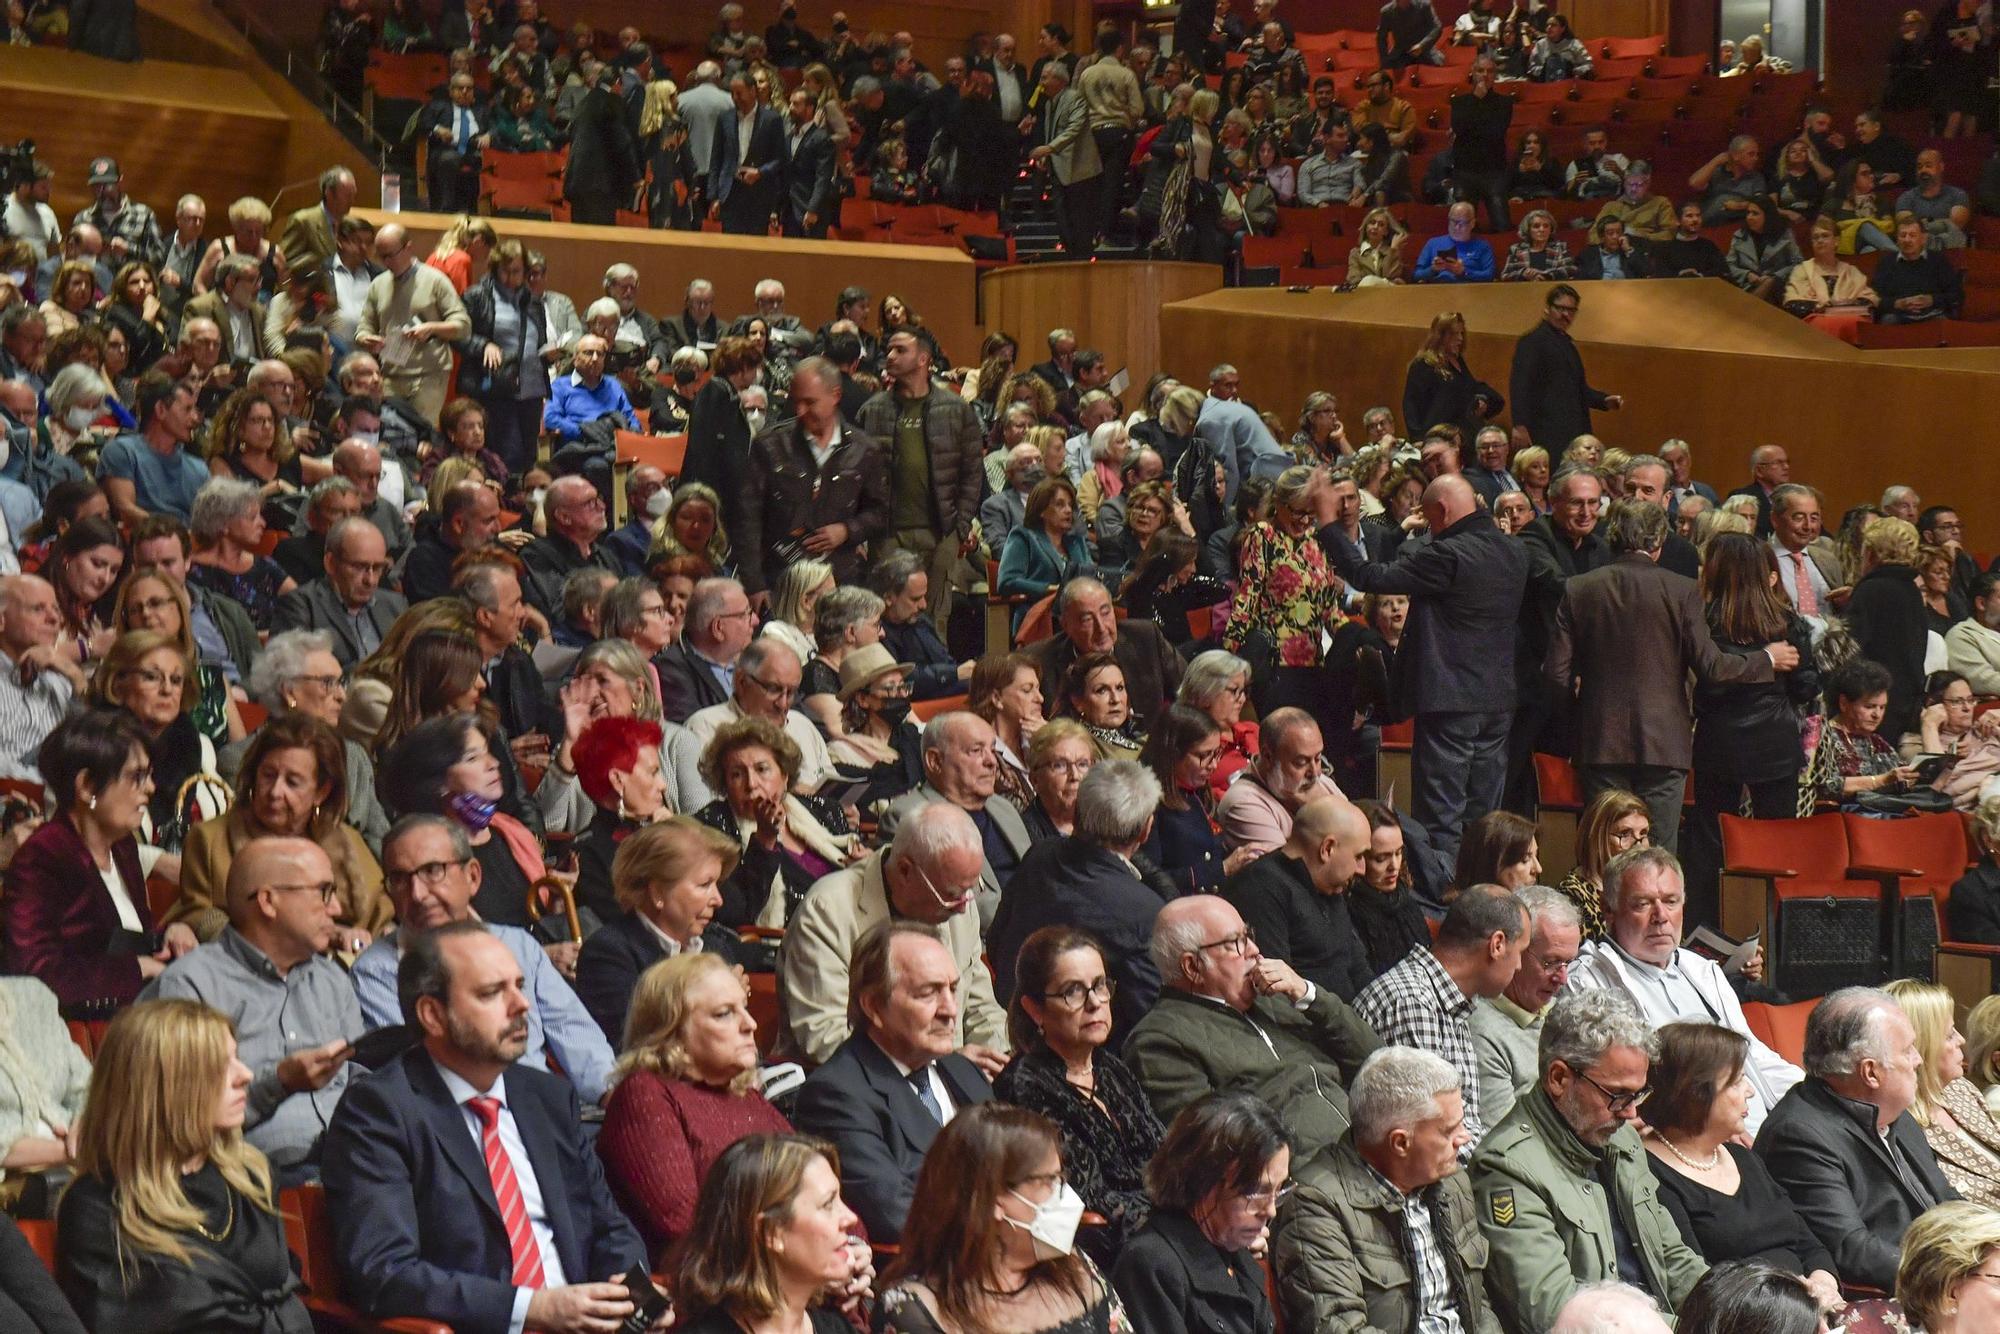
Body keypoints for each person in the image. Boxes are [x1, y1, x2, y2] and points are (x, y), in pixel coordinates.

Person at [321, 922, 650, 1330]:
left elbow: (609, 1226)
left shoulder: (546, 1097)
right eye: (492, 993)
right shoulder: (380, 1112)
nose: (522, 1004)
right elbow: (386, 1273)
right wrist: (534, 1308)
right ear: (433, 1015)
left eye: (519, 985)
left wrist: (631, 1295)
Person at [56, 998, 313, 1332]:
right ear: (163, 1088)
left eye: (236, 1058)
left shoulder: (250, 1175)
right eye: (220, 1066)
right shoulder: (99, 1206)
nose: (245, 1075)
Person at [1548, 500, 1790, 853]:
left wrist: (1577, 719)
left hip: (1598, 739)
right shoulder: (1681, 589)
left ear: (1612, 537)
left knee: (1605, 850)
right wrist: (1765, 659)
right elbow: (1712, 667)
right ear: (1659, 543)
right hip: (1665, 743)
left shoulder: (1578, 588)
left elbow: (1556, 674)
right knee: (1658, 852)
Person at [1314, 474, 1527, 873]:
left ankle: (1443, 899)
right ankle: (1481, 893)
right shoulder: (1515, 551)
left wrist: (1328, 525)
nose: (1429, 528)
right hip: (1499, 700)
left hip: (1450, 699)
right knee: (1484, 815)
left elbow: (1369, 577)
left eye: (1430, 519)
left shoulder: (1448, 554)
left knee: (1441, 816)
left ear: (1442, 512)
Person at [1469, 989, 1708, 1330]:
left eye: (1638, 1093)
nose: (1631, 1112)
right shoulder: (1507, 1169)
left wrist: (1734, 1309)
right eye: (1617, 1095)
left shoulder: (1619, 1136)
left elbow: (1672, 1257)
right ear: (1559, 1078)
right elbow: (1553, 1312)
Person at [350, 815, 616, 1103]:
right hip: (455, 1122)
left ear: (472, 877)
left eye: (432, 871)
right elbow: (421, 1072)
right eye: (399, 879)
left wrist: (610, 1096)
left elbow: (573, 1030)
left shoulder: (518, 945)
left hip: (547, 1113)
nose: (416, 894)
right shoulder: (375, 971)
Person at [142, 835, 364, 1181]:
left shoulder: (332, 979)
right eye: (323, 892)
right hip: (251, 1176)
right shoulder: (190, 986)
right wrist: (279, 1082)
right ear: (268, 901)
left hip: (358, 1159)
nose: (335, 909)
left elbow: (361, 1079)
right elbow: (178, 1120)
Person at [1126, 894, 1380, 1163]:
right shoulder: (1158, 1041)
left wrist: (1309, 995)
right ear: (1193, 967)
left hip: (1367, 1144)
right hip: (1308, 1182)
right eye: (1235, 942)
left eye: (1248, 935)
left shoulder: (1277, 997)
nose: (1254, 950)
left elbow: (1373, 1059)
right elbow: (1215, 1150)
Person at [1273, 1046, 1504, 1333]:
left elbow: (1478, 1306)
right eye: (1448, 1131)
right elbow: (1339, 1327)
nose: (1464, 1138)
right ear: (1400, 1143)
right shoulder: (1315, 1204)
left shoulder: (1452, 1181)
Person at [791, 921, 995, 1242]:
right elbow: (896, 1215)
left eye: (952, 990)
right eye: (928, 993)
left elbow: (1024, 1168)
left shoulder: (961, 1069)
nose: (951, 1010)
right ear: (873, 1005)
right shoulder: (836, 1095)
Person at [1754, 985, 1959, 1291]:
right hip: (1906, 1291)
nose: (1918, 1059)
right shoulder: (1798, 1136)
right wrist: (1957, 1274)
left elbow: (1946, 1199)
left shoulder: (1892, 1110)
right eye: (1907, 1050)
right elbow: (1852, 1249)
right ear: (1871, 1073)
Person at [779, 801, 1006, 1069]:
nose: (964, 905)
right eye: (952, 894)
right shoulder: (829, 911)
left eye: (971, 890)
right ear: (905, 870)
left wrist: (998, 1058)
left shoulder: (959, 908)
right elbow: (825, 1037)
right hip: (856, 1091)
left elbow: (980, 1010)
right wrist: (946, 1068)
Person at [596, 951, 791, 1263]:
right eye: (724, 1013)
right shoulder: (645, 1095)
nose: (751, 1024)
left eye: (745, 1008)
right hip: (715, 1292)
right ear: (672, 1031)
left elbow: (822, 1187)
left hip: (784, 1271)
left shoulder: (746, 1097)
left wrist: (850, 1246)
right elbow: (684, 1222)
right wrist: (807, 1250)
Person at [2, 709, 194, 1018]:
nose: (151, 788)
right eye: (137, 777)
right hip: (77, 1031)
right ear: (87, 786)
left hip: (131, 1018)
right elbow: (32, 972)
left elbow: (128, 936)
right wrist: (136, 969)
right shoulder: (44, 856)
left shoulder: (122, 846)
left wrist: (169, 934)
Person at [993, 927, 1166, 1267]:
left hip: (1163, 1231)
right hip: (1107, 1250)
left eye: (1101, 985)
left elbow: (1164, 1157)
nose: (1095, 1003)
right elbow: (1089, 1197)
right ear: (1035, 1009)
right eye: (1073, 991)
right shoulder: (1024, 1086)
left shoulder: (1111, 1068)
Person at [873, 1101, 1127, 1332]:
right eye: (1049, 1181)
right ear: (990, 1197)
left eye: (1061, 1178)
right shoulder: (915, 1309)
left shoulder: (1075, 1267)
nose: (1064, 1194)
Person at [1639, 1022, 1841, 1306]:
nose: (1750, 1092)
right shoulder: (1651, 1174)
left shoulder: (1744, 1157)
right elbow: (1698, 1283)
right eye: (1737, 1082)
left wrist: (1823, 1283)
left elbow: (1808, 1242)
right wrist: (1796, 1303)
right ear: (1695, 1093)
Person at [988, 760, 1171, 1046]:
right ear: (1145, 831)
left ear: (1076, 813)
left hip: (1013, 1029)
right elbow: (1154, 1022)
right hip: (1087, 1056)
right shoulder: (1145, 912)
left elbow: (996, 941)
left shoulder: (1040, 854)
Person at [177, 714, 388, 949]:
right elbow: (196, 916)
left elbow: (383, 915)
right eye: (268, 775)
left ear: (322, 792)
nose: (275, 791)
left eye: (293, 782)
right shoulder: (210, 839)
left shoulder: (347, 842)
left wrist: (358, 939)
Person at [1355, 883, 1529, 1152]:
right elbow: (1432, 1140)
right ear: (1497, 945)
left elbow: (1465, 1126)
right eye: (1520, 953)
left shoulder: (1453, 999)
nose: (1519, 966)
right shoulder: (1413, 1003)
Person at [1112, 1090, 1288, 1334]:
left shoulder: (1235, 1250)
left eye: (1279, 1191)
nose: (1270, 1210)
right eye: (1258, 1192)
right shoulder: (1152, 1265)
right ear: (1205, 1180)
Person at [571, 817, 742, 1048]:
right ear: (658, 893)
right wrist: (712, 1004)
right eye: (704, 885)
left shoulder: (716, 950)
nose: (718, 900)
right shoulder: (609, 954)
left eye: (717, 885)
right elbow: (632, 1048)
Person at [1221, 797, 1374, 1001]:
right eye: (1359, 856)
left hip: (1351, 1023)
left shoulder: (1331, 884)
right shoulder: (1260, 889)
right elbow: (1274, 996)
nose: (1362, 869)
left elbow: (1360, 972)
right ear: (1327, 849)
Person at [1469, 885, 1582, 1127]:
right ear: (1514, 950)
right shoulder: (1482, 1033)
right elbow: (1506, 1140)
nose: (1562, 978)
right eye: (1550, 962)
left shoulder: (1558, 1010)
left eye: (1568, 963)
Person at [1885, 979, 2000, 1209]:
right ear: (1920, 1047)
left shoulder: (1960, 1089)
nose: (1962, 1040)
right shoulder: (1901, 1130)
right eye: (1949, 1035)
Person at [1507, 285, 1622, 461]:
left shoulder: (1567, 344)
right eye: (1560, 308)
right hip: (1545, 432)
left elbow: (1577, 388)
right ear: (1547, 308)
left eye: (1571, 310)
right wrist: (1519, 425)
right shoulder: (1532, 342)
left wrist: (1604, 401)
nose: (1565, 315)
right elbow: (1520, 385)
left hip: (1573, 432)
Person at [1215, 708, 1345, 857]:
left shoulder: (1318, 781)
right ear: (1268, 757)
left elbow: (1359, 839)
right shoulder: (1242, 803)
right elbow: (1287, 875)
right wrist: (1315, 812)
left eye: (1318, 758)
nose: (1315, 772)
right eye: (1301, 762)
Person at [1847, 515, 1930, 742]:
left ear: (1872, 551)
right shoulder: (1912, 589)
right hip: (1904, 698)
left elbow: (1852, 648)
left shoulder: (1871, 590)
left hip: (1871, 700)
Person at [0, 573, 87, 782]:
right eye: (38, 609)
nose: (54, 618)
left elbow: (92, 747)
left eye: (56, 609)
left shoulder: (62, 682)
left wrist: (75, 676)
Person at [1414, 204, 1498, 284]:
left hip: (1471, 291)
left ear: (1472, 223)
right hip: (1438, 291)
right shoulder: (1432, 243)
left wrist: (1464, 272)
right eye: (1453, 221)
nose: (1457, 227)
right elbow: (1416, 275)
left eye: (1462, 223)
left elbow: (1490, 275)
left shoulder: (1482, 246)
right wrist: (1433, 270)